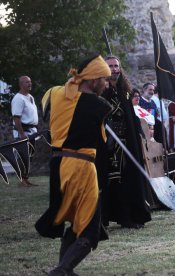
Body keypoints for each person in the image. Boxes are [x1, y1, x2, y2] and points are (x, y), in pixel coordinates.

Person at [35, 55, 112, 275]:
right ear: (94, 79)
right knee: (90, 227)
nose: (106, 85)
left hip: (58, 165)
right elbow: (103, 142)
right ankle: (61, 271)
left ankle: (65, 270)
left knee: (74, 220)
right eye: (104, 80)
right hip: (81, 167)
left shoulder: (55, 93)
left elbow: (47, 110)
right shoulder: (100, 105)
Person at [98, 55, 152, 229]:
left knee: (129, 180)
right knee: (111, 181)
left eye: (116, 66)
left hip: (127, 143)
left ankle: (129, 217)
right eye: (110, 66)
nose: (114, 69)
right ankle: (105, 217)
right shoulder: (100, 92)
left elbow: (130, 117)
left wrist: (139, 135)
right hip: (109, 145)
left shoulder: (126, 91)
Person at [11, 75, 38, 187]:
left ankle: (25, 179)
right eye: (27, 82)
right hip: (23, 131)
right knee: (22, 156)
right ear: (21, 84)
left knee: (29, 156)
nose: (30, 84)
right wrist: (21, 134)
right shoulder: (18, 98)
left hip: (32, 131)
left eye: (30, 82)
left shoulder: (30, 97)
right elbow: (16, 117)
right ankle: (22, 180)